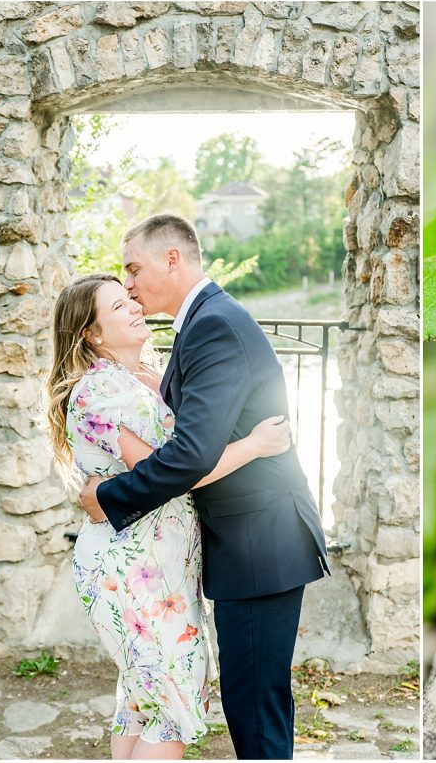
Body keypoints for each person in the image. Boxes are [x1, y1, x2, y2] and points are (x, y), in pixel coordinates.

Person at [77, 214, 330, 760]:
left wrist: (107, 498)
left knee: (253, 706)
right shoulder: (202, 324)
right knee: (245, 699)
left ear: (173, 259)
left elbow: (191, 453)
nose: (129, 286)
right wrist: (150, 385)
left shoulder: (213, 323)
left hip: (260, 543)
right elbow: (191, 425)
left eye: (134, 269)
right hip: (243, 543)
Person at [46, 273, 293, 759]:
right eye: (119, 306)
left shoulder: (138, 380)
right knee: (172, 703)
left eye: (129, 296)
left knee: (142, 702)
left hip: (156, 562)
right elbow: (175, 471)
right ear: (91, 335)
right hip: (135, 570)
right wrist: (254, 446)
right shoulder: (103, 391)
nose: (135, 305)